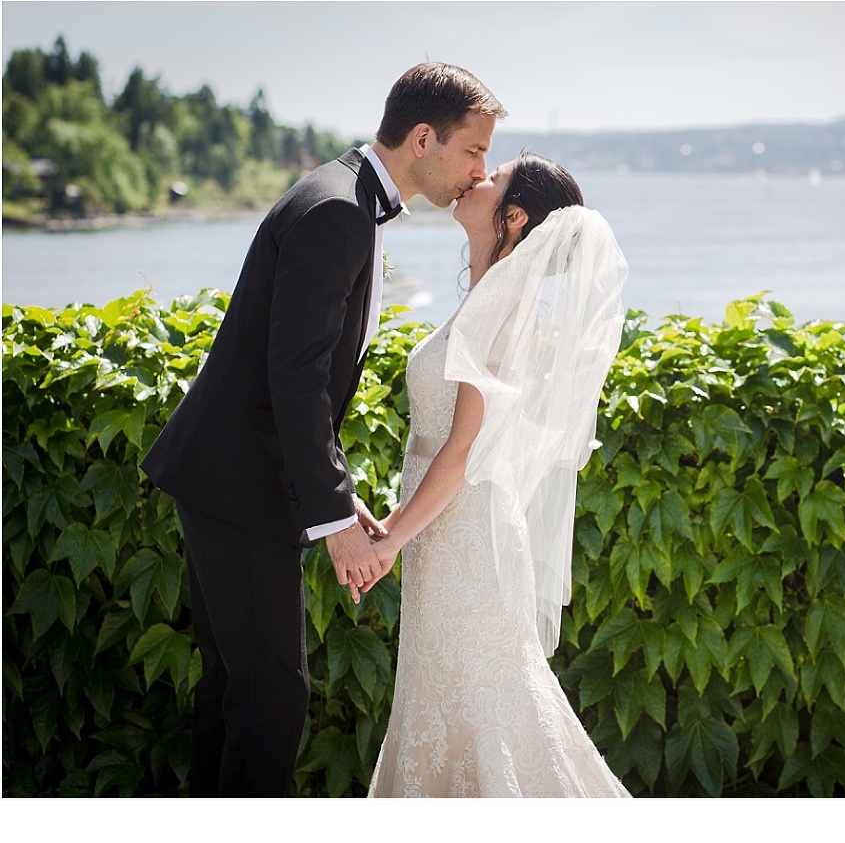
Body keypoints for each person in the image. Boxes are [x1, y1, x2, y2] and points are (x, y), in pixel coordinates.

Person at [139, 62, 505, 797]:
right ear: (425, 138)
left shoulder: (342, 194)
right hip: (239, 483)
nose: (480, 170)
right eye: (474, 150)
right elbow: (296, 383)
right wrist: (334, 520)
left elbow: (304, 377)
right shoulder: (339, 210)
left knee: (237, 691)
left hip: (232, 477)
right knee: (272, 696)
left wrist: (342, 497)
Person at [364, 152, 632, 797]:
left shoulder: (503, 311)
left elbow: (460, 453)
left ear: (512, 216)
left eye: (494, 176)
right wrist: (403, 531)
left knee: (485, 705)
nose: (475, 177)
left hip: (468, 536)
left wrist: (391, 539)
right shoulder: (490, 297)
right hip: (447, 529)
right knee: (449, 697)